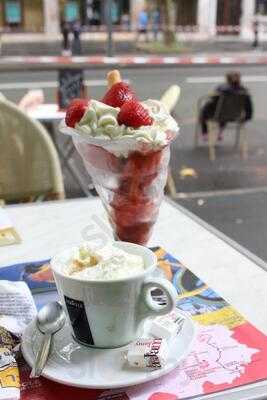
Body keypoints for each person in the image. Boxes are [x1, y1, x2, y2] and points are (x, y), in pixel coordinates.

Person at [199, 71, 253, 141]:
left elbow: (213, 101)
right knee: (227, 111)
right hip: (235, 116)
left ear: (227, 79)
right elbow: (249, 107)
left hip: (217, 114)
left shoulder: (221, 89)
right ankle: (220, 131)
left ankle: (205, 133)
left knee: (207, 110)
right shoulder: (244, 92)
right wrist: (247, 117)